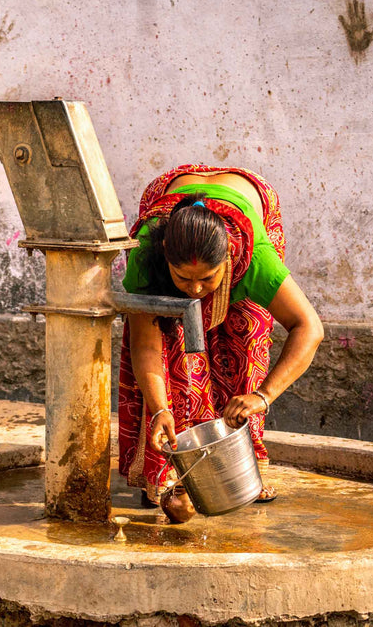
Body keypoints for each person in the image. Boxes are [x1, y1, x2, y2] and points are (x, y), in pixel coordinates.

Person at [119, 164, 324, 508]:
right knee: (174, 344)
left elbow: (310, 328)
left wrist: (263, 395)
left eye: (208, 279)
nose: (196, 290)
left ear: (229, 257)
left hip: (249, 200)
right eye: (184, 279)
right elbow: (146, 344)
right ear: (166, 252)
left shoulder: (253, 256)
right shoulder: (147, 251)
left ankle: (244, 468)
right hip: (169, 196)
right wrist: (159, 409)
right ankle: (168, 472)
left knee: (247, 335)